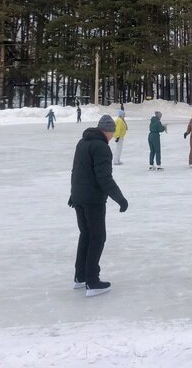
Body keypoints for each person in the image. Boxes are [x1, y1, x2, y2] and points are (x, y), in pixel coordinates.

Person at [68, 114, 128, 297]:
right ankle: (92, 281)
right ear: (107, 131)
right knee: (97, 237)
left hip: (79, 197)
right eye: (112, 132)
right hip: (93, 200)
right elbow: (104, 178)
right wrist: (120, 198)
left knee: (86, 235)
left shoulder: (82, 143)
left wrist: (74, 194)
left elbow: (77, 171)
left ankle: (81, 277)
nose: (112, 136)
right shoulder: (101, 147)